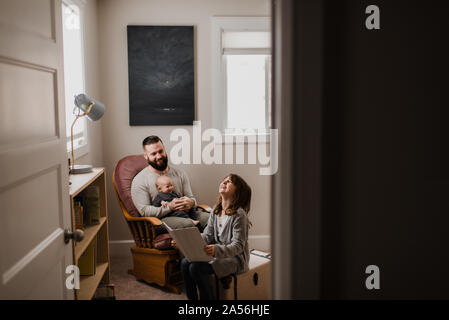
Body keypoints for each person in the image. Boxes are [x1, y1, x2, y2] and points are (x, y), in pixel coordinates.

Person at [176, 173, 251, 300]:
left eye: (229, 182)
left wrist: (216, 250)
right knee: (184, 263)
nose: (225, 182)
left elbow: (238, 246)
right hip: (217, 254)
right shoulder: (216, 211)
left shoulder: (239, 215)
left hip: (235, 259)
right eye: (224, 180)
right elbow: (207, 235)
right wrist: (186, 241)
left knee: (196, 268)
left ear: (238, 191)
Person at [131, 135, 209, 229]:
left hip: (186, 213)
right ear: (146, 156)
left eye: (160, 151)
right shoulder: (140, 180)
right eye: (153, 154)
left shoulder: (180, 173)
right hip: (161, 220)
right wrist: (169, 207)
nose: (159, 156)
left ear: (164, 149)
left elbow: (191, 198)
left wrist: (191, 202)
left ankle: (217, 244)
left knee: (212, 220)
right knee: (188, 224)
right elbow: (145, 211)